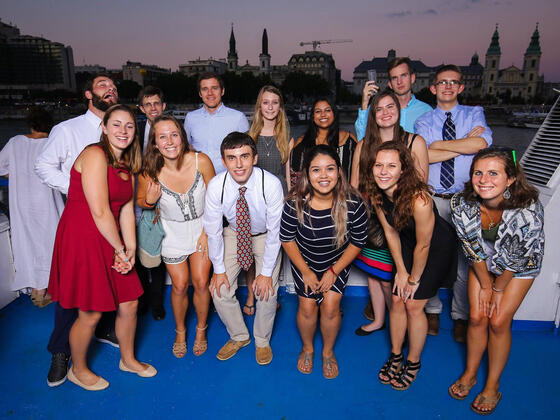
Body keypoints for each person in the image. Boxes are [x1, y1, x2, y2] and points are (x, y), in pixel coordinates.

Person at [47, 104, 156, 391]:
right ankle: (78, 369)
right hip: (83, 238)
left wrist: (130, 249)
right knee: (91, 312)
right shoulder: (94, 155)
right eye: (117, 124)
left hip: (111, 237)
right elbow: (99, 211)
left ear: (135, 131)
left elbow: (125, 210)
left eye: (130, 126)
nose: (123, 131)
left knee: (130, 302)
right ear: (104, 127)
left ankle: (128, 359)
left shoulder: (127, 166)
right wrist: (120, 249)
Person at [35, 73, 120, 387]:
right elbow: (43, 166)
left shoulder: (121, 131)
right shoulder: (67, 129)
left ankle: (102, 328)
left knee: (112, 277)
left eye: (113, 87)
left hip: (112, 219)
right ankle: (60, 351)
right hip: (82, 221)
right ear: (88, 94)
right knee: (71, 290)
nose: (109, 89)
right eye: (102, 86)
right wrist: (76, 189)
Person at [448, 147, 544, 415]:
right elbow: (472, 248)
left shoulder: (529, 208)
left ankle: (492, 385)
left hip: (519, 265)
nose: (484, 179)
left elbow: (515, 257)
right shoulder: (461, 203)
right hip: (482, 260)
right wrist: (486, 285)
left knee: (499, 321)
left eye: (493, 173)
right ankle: (469, 373)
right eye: (478, 172)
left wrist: (498, 289)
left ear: (510, 179)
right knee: (477, 316)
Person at [364, 141, 457, 390]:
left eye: (391, 166)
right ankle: (396, 355)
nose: (383, 171)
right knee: (396, 300)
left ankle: (413, 362)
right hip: (407, 241)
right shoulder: (377, 194)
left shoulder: (420, 200)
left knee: (414, 305)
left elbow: (424, 246)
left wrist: (413, 279)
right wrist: (401, 272)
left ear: (403, 170)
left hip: (434, 248)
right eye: (378, 165)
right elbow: (391, 233)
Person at [415, 64, 492, 340]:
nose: (448, 86)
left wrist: (439, 146)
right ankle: (432, 311)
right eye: (442, 82)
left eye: (454, 82)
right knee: (432, 255)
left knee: (465, 259)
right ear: (433, 88)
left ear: (460, 87)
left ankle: (460, 315)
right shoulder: (424, 120)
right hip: (434, 198)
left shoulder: (475, 113)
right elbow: (424, 154)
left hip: (466, 198)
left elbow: (481, 145)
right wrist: (463, 144)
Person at [355, 57, 432, 324]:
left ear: (398, 111)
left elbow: (422, 187)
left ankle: (399, 324)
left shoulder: (414, 141)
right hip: (372, 218)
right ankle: (378, 321)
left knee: (397, 281)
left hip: (404, 222)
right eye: (379, 109)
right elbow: (356, 187)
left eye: (391, 107)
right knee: (374, 275)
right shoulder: (363, 144)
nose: (386, 112)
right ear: (373, 115)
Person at [281, 145, 368, 379]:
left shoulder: (353, 203)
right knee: (307, 308)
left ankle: (328, 352)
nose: (323, 176)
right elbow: (287, 239)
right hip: (304, 263)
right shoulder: (294, 203)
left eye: (330, 169)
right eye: (316, 170)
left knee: (330, 308)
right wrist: (307, 272)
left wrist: (334, 271)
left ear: (339, 171)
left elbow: (358, 241)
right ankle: (308, 348)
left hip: (336, 263)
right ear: (307, 174)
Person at [137, 115, 215, 358]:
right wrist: (149, 201)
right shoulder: (149, 171)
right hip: (171, 232)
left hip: (203, 228)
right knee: (180, 286)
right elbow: (141, 200)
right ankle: (180, 330)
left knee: (201, 282)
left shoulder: (201, 161)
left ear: (182, 137)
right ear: (155, 143)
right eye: (162, 136)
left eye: (174, 134)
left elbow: (215, 200)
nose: (169, 141)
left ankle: (201, 329)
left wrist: (207, 232)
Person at [203, 132, 283, 365]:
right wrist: (218, 270)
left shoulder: (271, 184)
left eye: (244, 156)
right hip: (234, 233)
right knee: (219, 289)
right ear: (223, 161)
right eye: (231, 158)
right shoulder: (217, 186)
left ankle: (261, 340)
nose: (238, 164)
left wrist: (266, 274)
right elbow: (214, 230)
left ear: (254, 158)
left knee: (266, 291)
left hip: (266, 235)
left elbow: (276, 231)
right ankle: (239, 336)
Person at [0, 108, 63, 307]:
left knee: (27, 243)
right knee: (51, 242)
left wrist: (17, 176)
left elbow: (2, 167)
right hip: (47, 200)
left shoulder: (15, 142)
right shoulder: (51, 143)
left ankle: (36, 289)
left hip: (22, 202)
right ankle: (47, 288)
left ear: (30, 123)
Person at [243, 85, 292, 316]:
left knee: (274, 249)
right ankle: (252, 294)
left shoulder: (286, 137)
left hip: (279, 200)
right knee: (253, 251)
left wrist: (290, 202)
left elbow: (288, 175)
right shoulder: (250, 137)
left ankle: (270, 290)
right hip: (255, 201)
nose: (270, 107)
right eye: (265, 102)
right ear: (259, 106)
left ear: (280, 106)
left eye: (275, 102)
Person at [135, 86, 168, 320]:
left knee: (159, 253)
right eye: (148, 104)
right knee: (138, 253)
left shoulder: (172, 129)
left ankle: (156, 303)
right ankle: (142, 300)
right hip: (138, 194)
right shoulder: (133, 130)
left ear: (163, 106)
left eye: (156, 103)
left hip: (165, 195)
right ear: (141, 108)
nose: (153, 108)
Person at [184, 72, 249, 174]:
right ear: (200, 93)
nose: (210, 93)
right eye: (205, 89)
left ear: (222, 91)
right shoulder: (190, 118)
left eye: (214, 88)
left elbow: (247, 154)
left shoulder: (238, 118)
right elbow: (185, 149)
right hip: (198, 179)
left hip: (229, 180)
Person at [354, 57, 432, 141]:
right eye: (395, 78)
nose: (399, 82)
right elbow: (362, 139)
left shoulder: (426, 111)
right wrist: (364, 104)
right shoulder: (378, 110)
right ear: (390, 84)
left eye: (403, 75)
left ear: (412, 78)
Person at [287, 98, 357, 188]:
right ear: (313, 116)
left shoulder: (349, 140)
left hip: (343, 197)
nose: (323, 114)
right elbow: (295, 175)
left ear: (334, 114)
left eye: (327, 110)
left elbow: (359, 172)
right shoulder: (302, 142)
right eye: (318, 111)